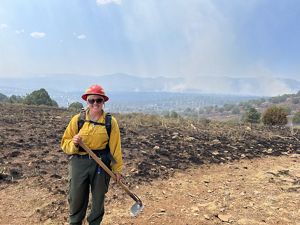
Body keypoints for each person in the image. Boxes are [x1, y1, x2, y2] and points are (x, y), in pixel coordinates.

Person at [61, 84, 123, 225]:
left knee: (98, 199)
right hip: (79, 162)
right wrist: (74, 143)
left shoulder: (110, 122)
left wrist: (117, 169)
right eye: (91, 100)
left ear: (103, 102)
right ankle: (75, 222)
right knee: (76, 198)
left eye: (98, 100)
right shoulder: (78, 119)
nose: (95, 103)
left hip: (101, 164)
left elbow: (115, 148)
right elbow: (65, 142)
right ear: (87, 102)